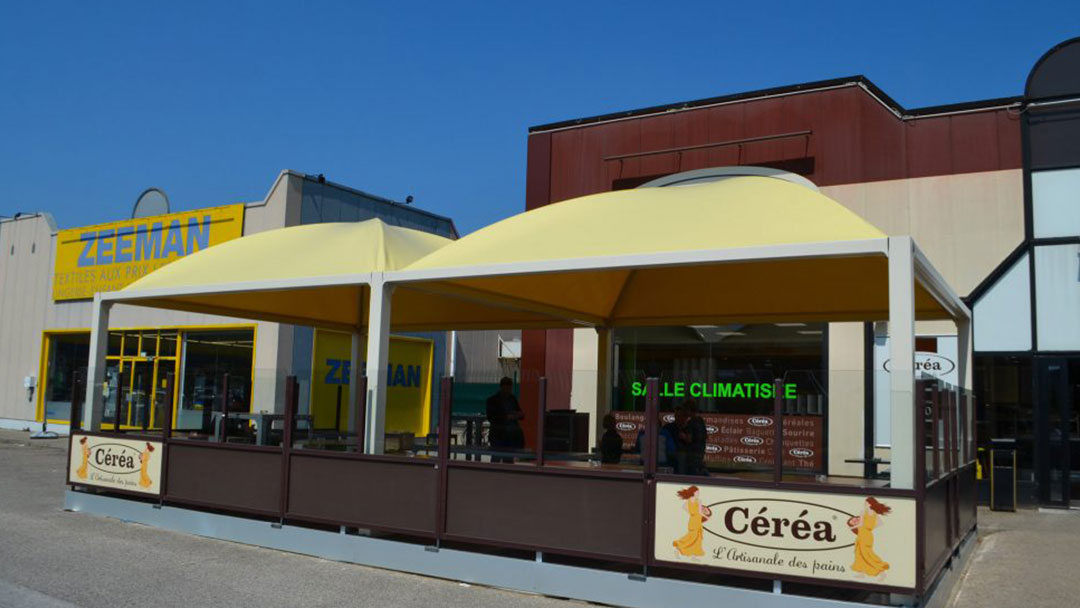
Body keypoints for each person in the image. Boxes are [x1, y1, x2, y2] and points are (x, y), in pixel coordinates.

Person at [485, 377, 524, 463]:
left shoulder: (511, 399)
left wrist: (517, 415)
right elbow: (492, 418)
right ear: (501, 387)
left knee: (505, 459)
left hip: (508, 435)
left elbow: (520, 413)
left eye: (509, 389)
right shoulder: (494, 400)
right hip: (499, 434)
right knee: (499, 458)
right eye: (506, 388)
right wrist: (509, 417)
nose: (508, 391)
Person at [681, 400, 709, 476]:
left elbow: (689, 439)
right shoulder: (700, 420)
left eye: (685, 410)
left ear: (689, 410)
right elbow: (705, 436)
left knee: (693, 472)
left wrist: (682, 436)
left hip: (692, 453)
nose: (683, 412)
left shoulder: (691, 422)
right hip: (700, 451)